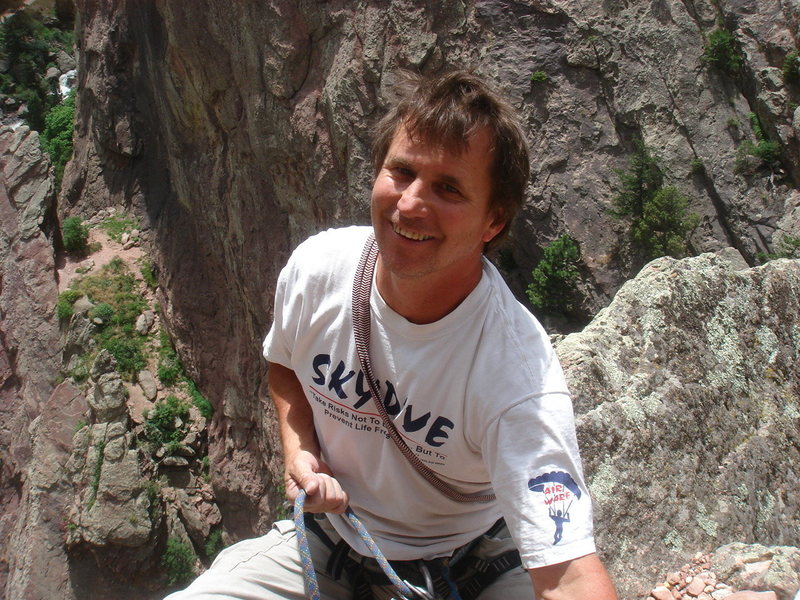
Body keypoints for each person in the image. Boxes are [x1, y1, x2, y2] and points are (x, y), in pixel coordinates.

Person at [167, 69, 617, 600]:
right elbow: (285, 362)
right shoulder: (318, 272)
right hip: (331, 542)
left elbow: (567, 576)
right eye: (401, 172)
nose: (409, 204)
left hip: (476, 565)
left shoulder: (513, 371)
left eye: (448, 188)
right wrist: (300, 449)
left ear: (493, 221)